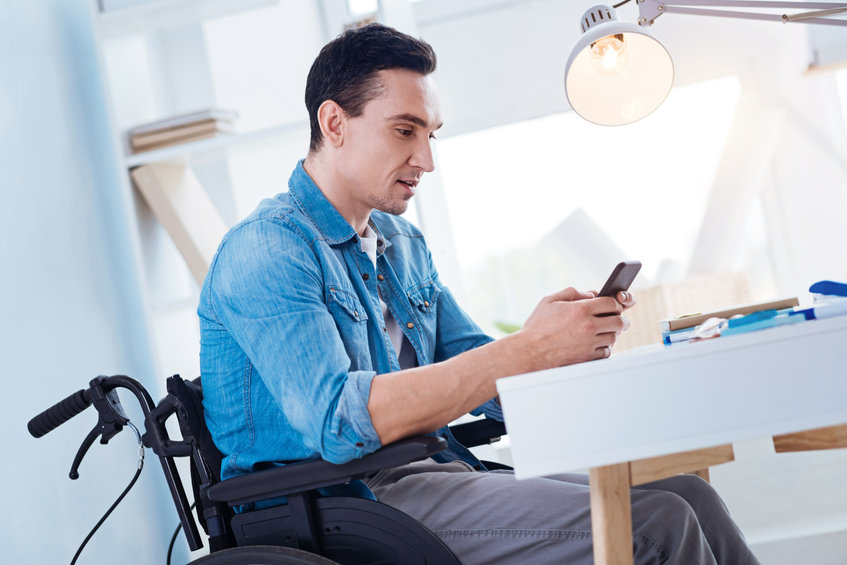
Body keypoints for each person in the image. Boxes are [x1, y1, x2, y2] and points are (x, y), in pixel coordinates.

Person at [198, 22, 759, 565]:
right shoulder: (268, 250)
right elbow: (339, 424)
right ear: (335, 122)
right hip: (343, 501)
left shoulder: (399, 241)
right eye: (404, 130)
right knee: (658, 524)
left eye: (430, 134)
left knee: (692, 496)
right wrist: (526, 350)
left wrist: (562, 345)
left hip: (434, 470)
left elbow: (482, 380)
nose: (426, 159)